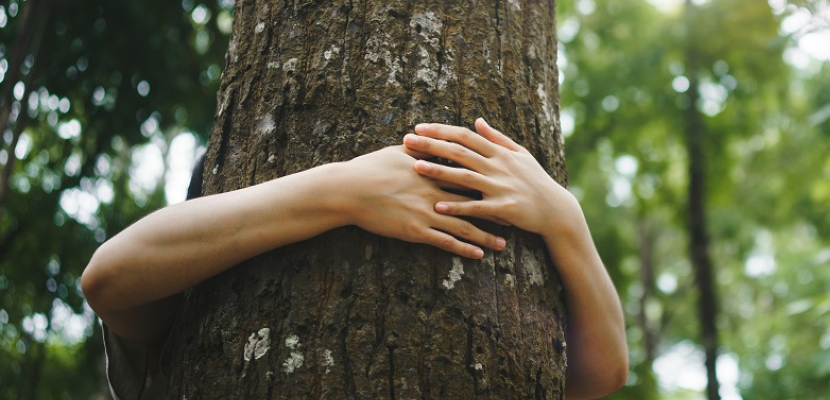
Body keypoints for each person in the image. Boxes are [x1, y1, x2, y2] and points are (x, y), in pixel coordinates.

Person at [81, 119, 629, 399]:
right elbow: (107, 277)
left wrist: (564, 217)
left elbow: (600, 373)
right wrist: (343, 190)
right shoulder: (173, 330)